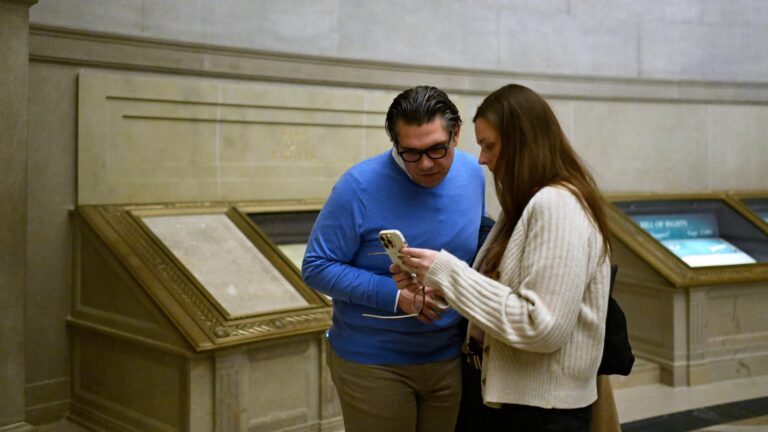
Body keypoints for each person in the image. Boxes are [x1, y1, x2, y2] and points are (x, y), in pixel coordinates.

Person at [392, 84, 612, 431]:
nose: (481, 159)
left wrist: (447, 272)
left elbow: (541, 326)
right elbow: (505, 291)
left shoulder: (557, 204)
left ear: (523, 141)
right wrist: (439, 285)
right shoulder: (526, 205)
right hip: (511, 401)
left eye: (489, 146)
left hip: (541, 411)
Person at [302, 85, 486, 432]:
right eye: (411, 153)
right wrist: (396, 296)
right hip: (373, 360)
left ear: (457, 134)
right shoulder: (357, 186)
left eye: (437, 149)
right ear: (395, 144)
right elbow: (316, 266)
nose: (427, 164)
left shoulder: (473, 174)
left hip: (448, 356)